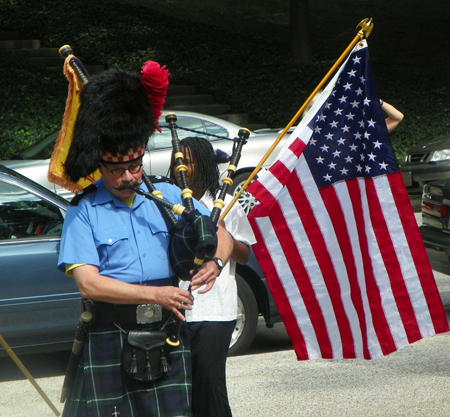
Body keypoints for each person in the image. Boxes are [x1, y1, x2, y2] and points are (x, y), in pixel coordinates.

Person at [57, 64, 233, 417]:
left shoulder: (169, 194)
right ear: (99, 167)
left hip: (166, 330)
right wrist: (157, 294)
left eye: (134, 168)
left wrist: (215, 263)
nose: (127, 177)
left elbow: (222, 234)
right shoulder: (84, 209)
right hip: (111, 329)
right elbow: (88, 284)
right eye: (116, 172)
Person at [170, 136, 256, 417]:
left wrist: (221, 233)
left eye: (188, 161)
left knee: (210, 382)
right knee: (181, 386)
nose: (180, 167)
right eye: (177, 160)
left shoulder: (225, 204)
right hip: (177, 307)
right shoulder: (170, 201)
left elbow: (244, 255)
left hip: (215, 309)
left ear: (204, 164)